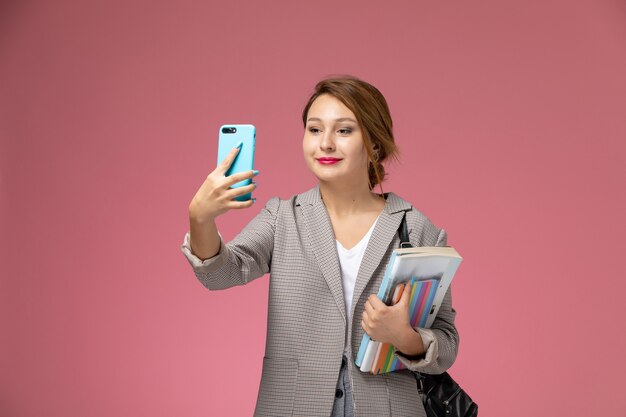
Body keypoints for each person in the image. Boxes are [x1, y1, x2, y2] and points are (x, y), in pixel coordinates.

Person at [180, 76, 458, 417]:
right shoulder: (282, 217)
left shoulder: (415, 227)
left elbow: (446, 342)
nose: (325, 143)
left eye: (344, 131)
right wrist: (200, 219)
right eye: (314, 130)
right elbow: (220, 274)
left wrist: (405, 337)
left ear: (373, 144)